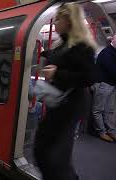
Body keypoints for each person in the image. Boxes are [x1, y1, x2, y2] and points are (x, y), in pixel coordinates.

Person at [33, 3, 97, 180]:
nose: (55, 22)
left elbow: (89, 77)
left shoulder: (82, 46)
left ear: (69, 20)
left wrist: (57, 73)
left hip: (70, 104)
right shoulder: (64, 43)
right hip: (60, 102)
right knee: (50, 149)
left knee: (50, 151)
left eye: (59, 18)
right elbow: (59, 58)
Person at [91, 34, 116, 142]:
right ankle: (101, 132)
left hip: (111, 84)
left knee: (109, 110)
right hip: (103, 84)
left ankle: (111, 131)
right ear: (113, 39)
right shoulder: (106, 52)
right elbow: (112, 70)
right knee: (98, 110)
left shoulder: (113, 52)